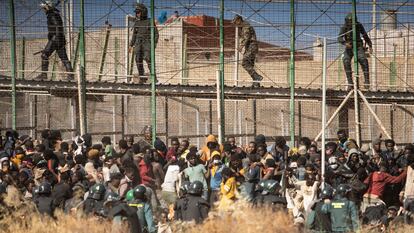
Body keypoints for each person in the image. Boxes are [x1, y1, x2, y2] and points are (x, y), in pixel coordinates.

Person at [35, 1, 74, 81]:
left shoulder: (52, 15)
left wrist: (53, 41)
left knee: (44, 55)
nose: (43, 10)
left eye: (44, 8)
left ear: (47, 7)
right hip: (59, 39)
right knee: (64, 58)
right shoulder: (55, 14)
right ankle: (71, 76)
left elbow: (57, 27)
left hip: (55, 38)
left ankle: (44, 75)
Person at [338, 13, 372, 90]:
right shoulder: (344, 27)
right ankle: (350, 83)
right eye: (349, 22)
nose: (350, 24)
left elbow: (365, 35)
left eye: (351, 22)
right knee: (345, 60)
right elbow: (339, 38)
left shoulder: (359, 25)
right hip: (349, 47)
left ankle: (367, 80)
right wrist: (345, 43)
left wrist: (370, 45)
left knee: (363, 59)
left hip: (358, 46)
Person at [129, 3, 159, 84]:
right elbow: (134, 35)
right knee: (138, 59)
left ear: (143, 12)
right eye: (136, 12)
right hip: (138, 43)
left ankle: (154, 77)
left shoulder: (150, 21)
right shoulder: (137, 23)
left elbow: (156, 34)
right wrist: (131, 45)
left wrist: (153, 44)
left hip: (147, 43)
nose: (137, 14)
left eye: (138, 12)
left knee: (148, 58)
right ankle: (142, 77)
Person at [232, 14, 263, 87]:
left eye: (235, 22)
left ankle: (257, 77)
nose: (235, 24)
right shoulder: (243, 27)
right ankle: (256, 82)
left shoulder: (245, 26)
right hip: (250, 47)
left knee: (245, 63)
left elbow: (247, 37)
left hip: (251, 47)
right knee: (250, 65)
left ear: (239, 20)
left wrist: (241, 46)